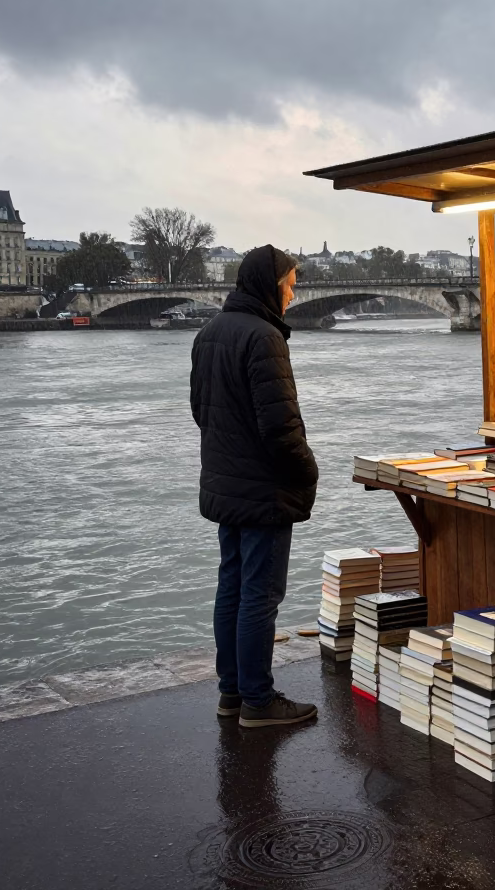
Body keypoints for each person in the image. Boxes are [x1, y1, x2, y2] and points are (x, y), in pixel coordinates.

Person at [190, 245, 319, 728]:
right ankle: (259, 702)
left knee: (232, 588)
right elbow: (281, 428)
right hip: (264, 489)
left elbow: (200, 411)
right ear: (270, 284)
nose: (293, 291)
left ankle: (232, 693)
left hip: (226, 483)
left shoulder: (209, 333)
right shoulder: (265, 337)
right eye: (289, 282)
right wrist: (308, 471)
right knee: (261, 595)